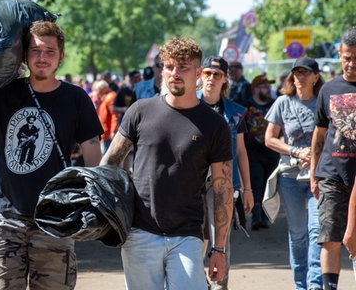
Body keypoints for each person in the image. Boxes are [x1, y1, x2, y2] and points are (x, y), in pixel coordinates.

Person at [0, 21, 103, 289]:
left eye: (49, 51)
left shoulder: (76, 98)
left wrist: (92, 201)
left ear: (61, 56)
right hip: (5, 218)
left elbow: (92, 149)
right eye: (35, 50)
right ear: (24, 55)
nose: (42, 57)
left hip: (55, 218)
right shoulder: (4, 92)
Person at [100, 37, 234, 289]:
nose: (175, 73)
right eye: (169, 66)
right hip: (139, 231)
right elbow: (108, 164)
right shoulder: (140, 111)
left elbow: (222, 190)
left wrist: (219, 248)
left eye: (183, 67)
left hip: (188, 234)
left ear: (197, 73)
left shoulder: (215, 125)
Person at [265, 57, 324, 290]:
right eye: (296, 73)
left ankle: (315, 285)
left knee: (317, 230)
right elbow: (269, 139)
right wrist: (295, 151)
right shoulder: (282, 102)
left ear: (316, 77)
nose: (300, 77)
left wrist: (316, 154)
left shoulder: (323, 101)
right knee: (298, 234)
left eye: (305, 73)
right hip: (290, 176)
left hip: (318, 176)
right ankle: (301, 285)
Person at [198, 55, 253, 290]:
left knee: (220, 236)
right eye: (207, 73)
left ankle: (220, 284)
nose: (211, 78)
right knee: (192, 235)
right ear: (200, 76)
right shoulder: (188, 105)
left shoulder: (236, 113)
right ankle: (196, 281)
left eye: (217, 74)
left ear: (225, 79)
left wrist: (247, 189)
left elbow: (241, 151)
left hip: (224, 182)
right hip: (191, 180)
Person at [310, 26, 356, 290]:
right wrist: (315, 173)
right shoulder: (328, 89)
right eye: (346, 57)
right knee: (329, 238)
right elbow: (319, 134)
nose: (350, 64)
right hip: (332, 175)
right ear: (339, 55)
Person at [243, 74, 280, 230]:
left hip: (272, 152)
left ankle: (265, 216)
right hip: (253, 153)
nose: (268, 89)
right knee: (256, 184)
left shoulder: (274, 104)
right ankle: (256, 217)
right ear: (255, 89)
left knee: (269, 184)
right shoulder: (246, 106)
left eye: (268, 87)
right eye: (264, 86)